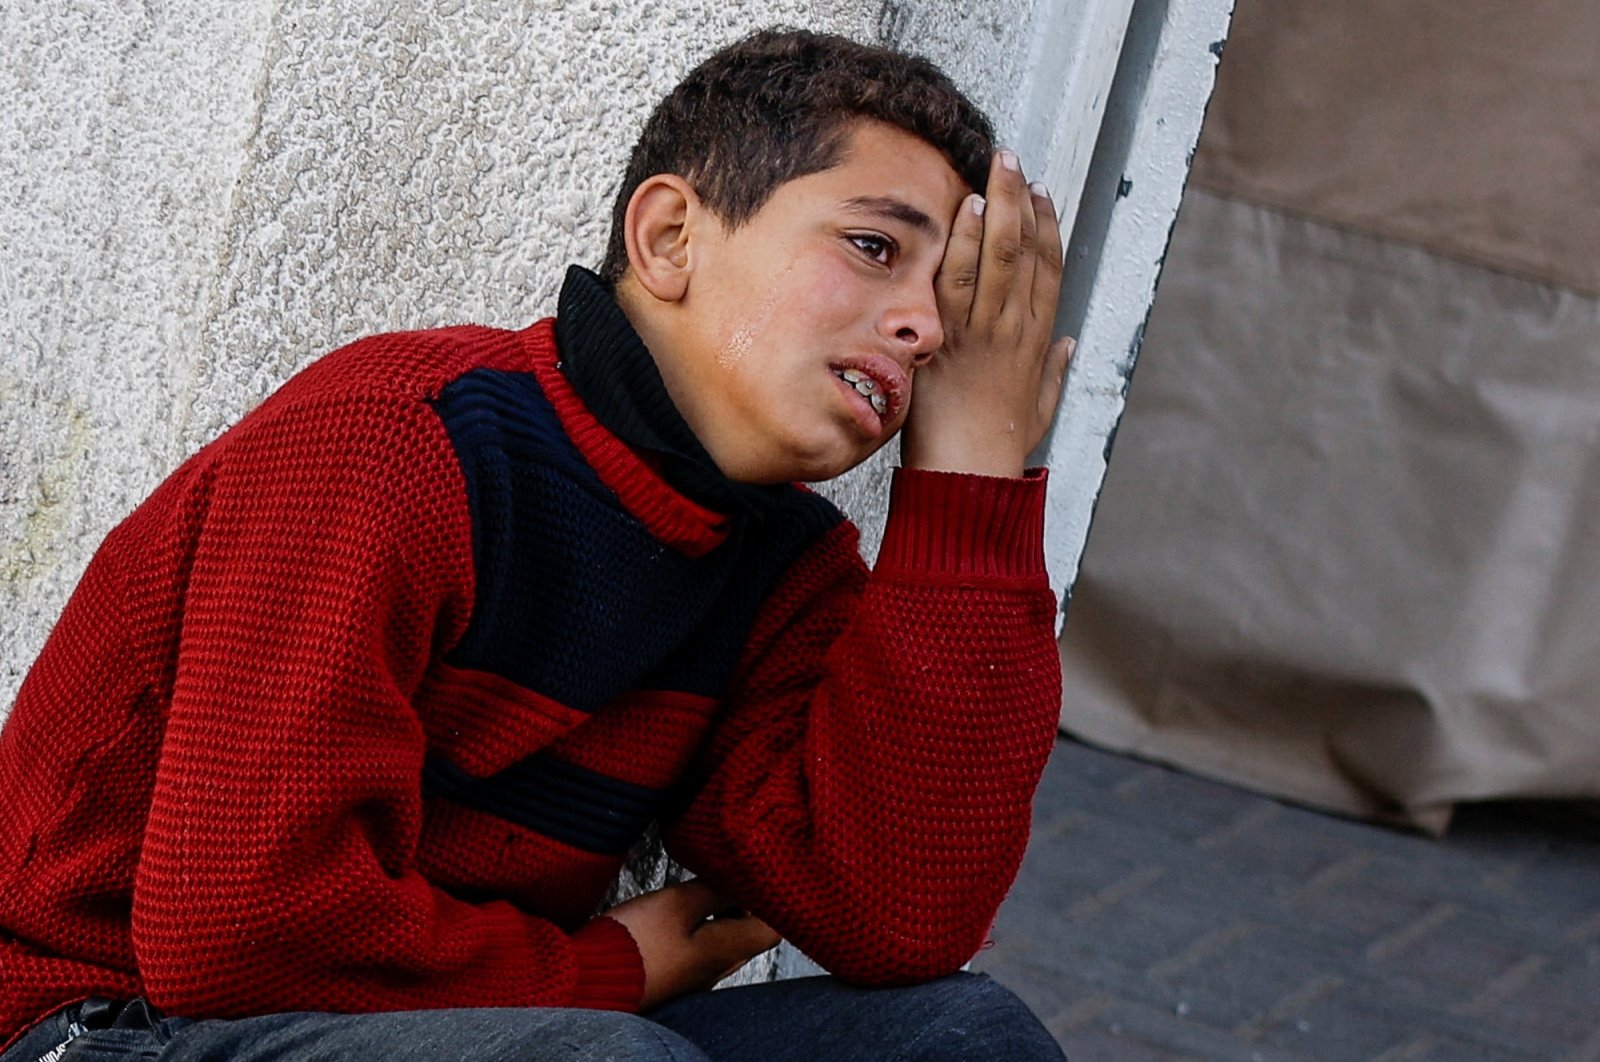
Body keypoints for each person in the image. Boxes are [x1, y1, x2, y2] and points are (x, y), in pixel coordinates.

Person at [0, 27, 1072, 1062]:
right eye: (874, 248)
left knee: (965, 1040)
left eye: (947, 303)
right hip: (101, 1023)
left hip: (470, 1027)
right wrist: (607, 970)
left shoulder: (778, 570)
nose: (925, 330)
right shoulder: (400, 442)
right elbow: (238, 937)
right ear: (668, 239)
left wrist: (971, 473)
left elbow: (895, 916)